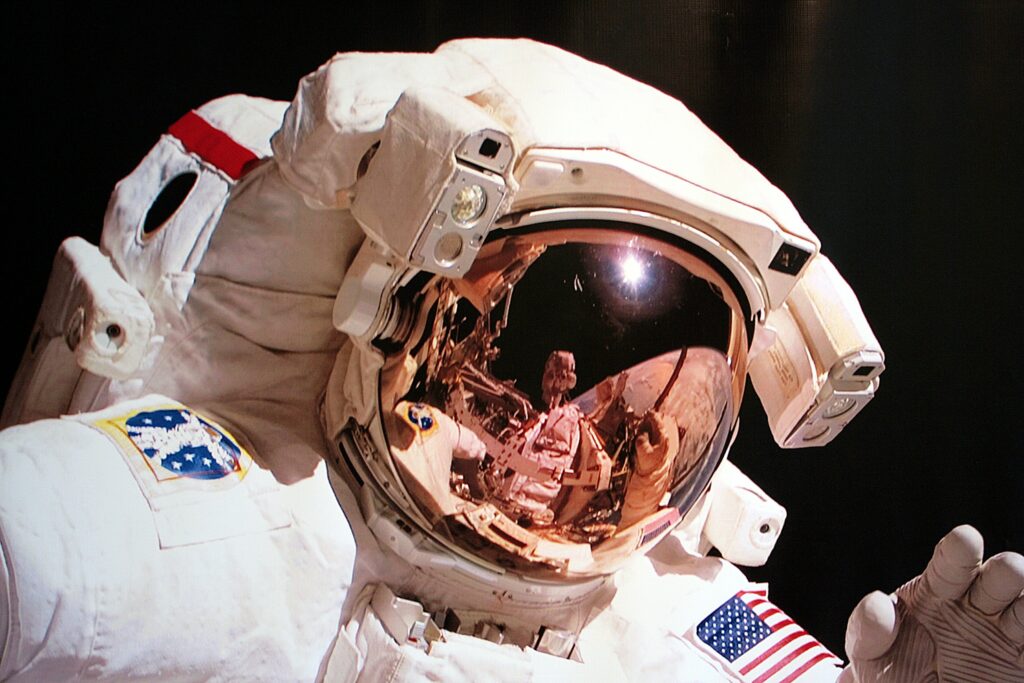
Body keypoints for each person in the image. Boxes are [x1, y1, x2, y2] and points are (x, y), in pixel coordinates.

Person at [1, 39, 1020, 681]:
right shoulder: (225, 521)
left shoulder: (662, 608)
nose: (558, 421)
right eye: (529, 369)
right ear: (386, 319)